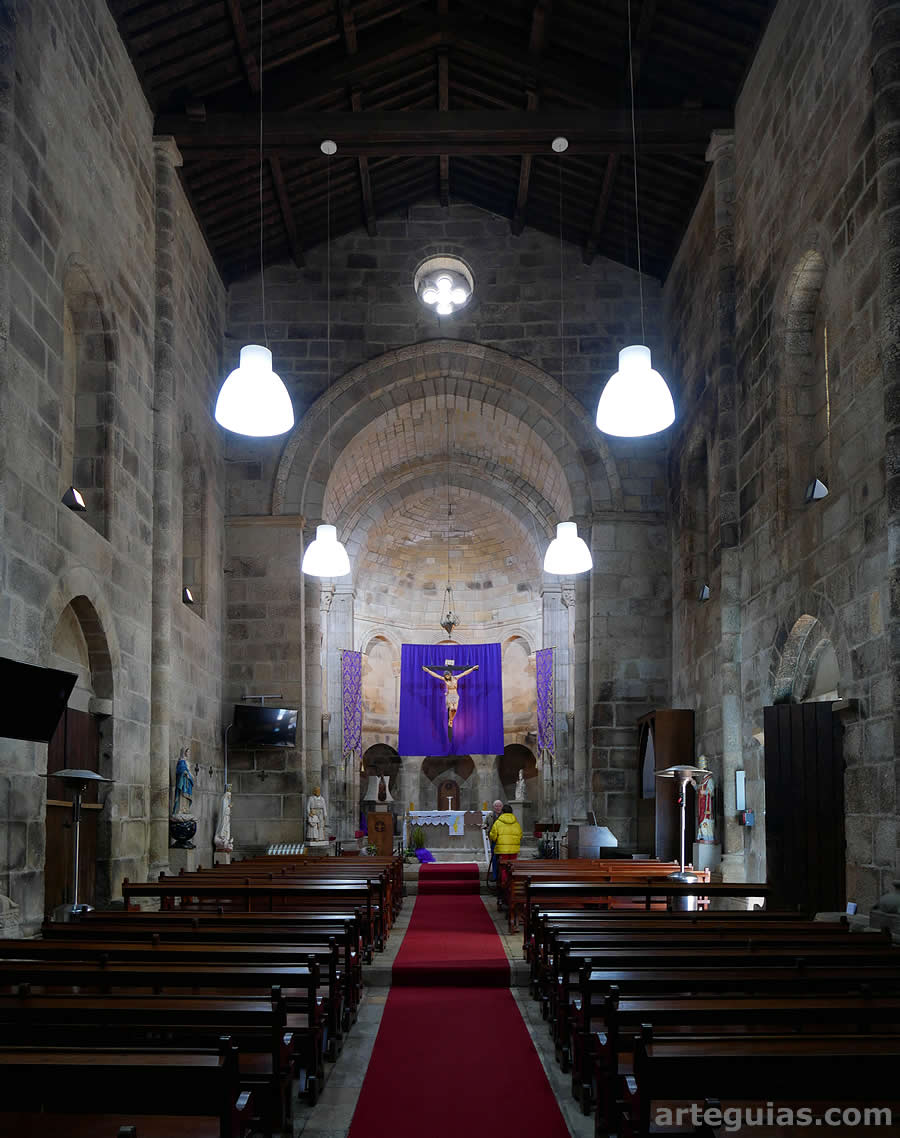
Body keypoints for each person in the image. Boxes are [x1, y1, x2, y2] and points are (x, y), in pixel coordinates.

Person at [421, 662, 479, 742]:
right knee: (451, 708)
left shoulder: (455, 678)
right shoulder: (444, 679)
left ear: (450, 674)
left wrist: (472, 669)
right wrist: (428, 670)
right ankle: (450, 721)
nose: (446, 677)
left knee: (455, 709)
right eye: (445, 676)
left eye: (447, 675)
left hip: (456, 696)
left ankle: (450, 720)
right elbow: (436, 675)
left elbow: (464, 673)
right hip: (449, 696)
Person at [489, 803, 523, 903]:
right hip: (513, 850)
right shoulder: (516, 823)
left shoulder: (498, 822)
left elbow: (493, 836)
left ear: (502, 812)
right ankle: (512, 886)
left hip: (502, 850)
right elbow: (520, 835)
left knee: (503, 869)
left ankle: (504, 887)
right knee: (512, 867)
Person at [691, 755, 716, 843]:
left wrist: (704, 792)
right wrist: (694, 785)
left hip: (706, 808)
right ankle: (702, 836)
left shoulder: (710, 780)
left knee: (706, 823)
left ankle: (707, 838)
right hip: (701, 806)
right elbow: (699, 790)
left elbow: (711, 792)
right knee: (701, 824)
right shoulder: (702, 781)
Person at [484, 799, 503, 885]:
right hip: (493, 840)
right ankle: (495, 876)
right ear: (493, 807)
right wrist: (485, 827)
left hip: (503, 840)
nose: (498, 807)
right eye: (496, 806)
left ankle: (501, 876)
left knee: (502, 859)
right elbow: (486, 824)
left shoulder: (504, 815)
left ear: (501, 807)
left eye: (499, 806)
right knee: (494, 858)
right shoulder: (489, 815)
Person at [172, 746, 194, 817]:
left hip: (188, 779)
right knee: (182, 793)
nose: (188, 753)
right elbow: (179, 770)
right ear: (184, 752)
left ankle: (185, 809)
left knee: (187, 794)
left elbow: (188, 770)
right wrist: (184, 772)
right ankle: (180, 809)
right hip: (183, 779)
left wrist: (191, 775)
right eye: (187, 752)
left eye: (189, 752)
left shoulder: (187, 761)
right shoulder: (181, 760)